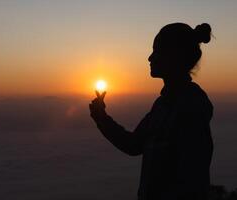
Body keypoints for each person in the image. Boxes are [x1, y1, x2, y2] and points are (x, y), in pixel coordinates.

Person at [89, 23, 214, 200]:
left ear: (174, 56)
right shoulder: (163, 105)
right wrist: (101, 117)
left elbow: (192, 180)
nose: (150, 58)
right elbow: (134, 144)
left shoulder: (191, 106)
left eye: (157, 51)